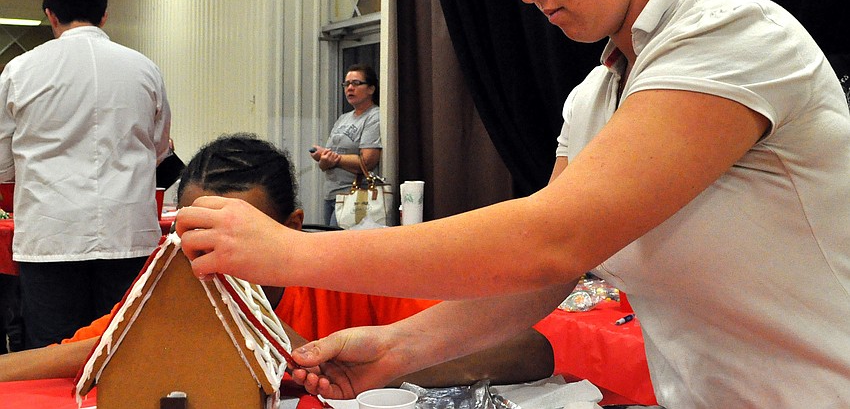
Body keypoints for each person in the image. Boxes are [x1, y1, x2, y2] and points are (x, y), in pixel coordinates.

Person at [176, 0, 850, 408]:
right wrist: (398, 347)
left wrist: (294, 253)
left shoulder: (733, 37)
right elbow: (546, 275)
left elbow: (548, 238)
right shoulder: (594, 99)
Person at [0, 133, 555, 387]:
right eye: (201, 239)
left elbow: (532, 351)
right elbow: (77, 352)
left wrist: (377, 360)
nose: (221, 263)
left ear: (290, 231)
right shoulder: (175, 285)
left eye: (244, 240)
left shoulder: (346, 281)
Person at [0, 0, 171, 349]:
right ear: (104, 15)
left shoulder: (19, 71)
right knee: (124, 352)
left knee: (50, 357)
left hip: (50, 234)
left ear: (50, 15)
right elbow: (160, 148)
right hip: (127, 233)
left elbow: (1, 162)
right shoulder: (145, 68)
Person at [310, 64, 382, 226]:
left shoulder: (374, 117)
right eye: (346, 84)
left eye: (356, 83)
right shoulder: (344, 118)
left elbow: (367, 161)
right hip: (331, 195)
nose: (350, 88)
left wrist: (335, 159)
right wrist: (323, 158)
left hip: (354, 197)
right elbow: (328, 162)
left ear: (371, 89)